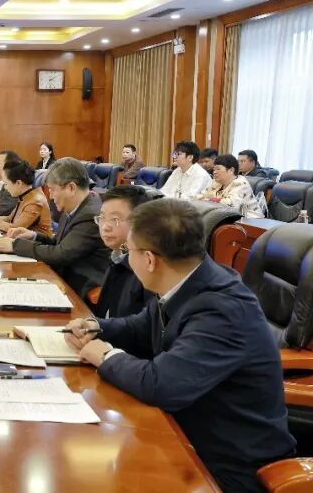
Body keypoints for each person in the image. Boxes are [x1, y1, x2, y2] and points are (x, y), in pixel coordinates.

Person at [63, 199, 295, 491]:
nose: (126, 259)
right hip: (183, 432)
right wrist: (98, 326)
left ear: (149, 260)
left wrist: (106, 356)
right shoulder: (188, 280)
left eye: (129, 251)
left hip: (227, 466)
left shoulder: (221, 310)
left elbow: (162, 385)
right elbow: (142, 326)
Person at [0, 157, 110, 296]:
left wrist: (15, 246)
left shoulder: (89, 215)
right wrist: (33, 236)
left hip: (78, 288)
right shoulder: (75, 207)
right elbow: (61, 243)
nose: (51, 197)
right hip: (62, 278)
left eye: (52, 190)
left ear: (71, 188)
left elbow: (60, 254)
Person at [91, 185, 151, 319]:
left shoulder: (146, 269)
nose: (105, 227)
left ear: (139, 222)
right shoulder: (116, 256)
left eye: (115, 220)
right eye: (102, 218)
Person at [0, 159, 51, 237]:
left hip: (36, 244)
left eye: (6, 184)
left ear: (18, 183)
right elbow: (9, 218)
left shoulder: (35, 201)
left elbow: (15, 228)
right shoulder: (25, 195)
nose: (5, 188)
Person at [196, 154, 263, 218]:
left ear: (231, 170)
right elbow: (201, 196)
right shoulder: (216, 182)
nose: (214, 172)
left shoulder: (241, 184)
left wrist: (207, 200)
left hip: (249, 220)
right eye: (214, 169)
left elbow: (229, 205)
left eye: (218, 169)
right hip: (223, 216)